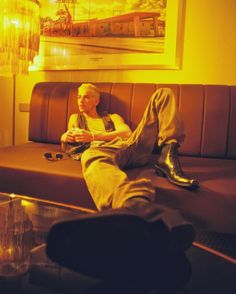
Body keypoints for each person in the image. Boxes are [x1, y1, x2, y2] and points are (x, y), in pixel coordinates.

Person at [46, 83, 198, 292]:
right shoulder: (76, 118)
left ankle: (168, 154)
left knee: (163, 94)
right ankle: (136, 206)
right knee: (91, 156)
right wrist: (65, 138)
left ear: (97, 100)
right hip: (102, 152)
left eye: (87, 97)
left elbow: (126, 133)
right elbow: (68, 140)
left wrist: (93, 136)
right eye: (79, 97)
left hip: (134, 146)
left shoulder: (112, 117)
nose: (81, 100)